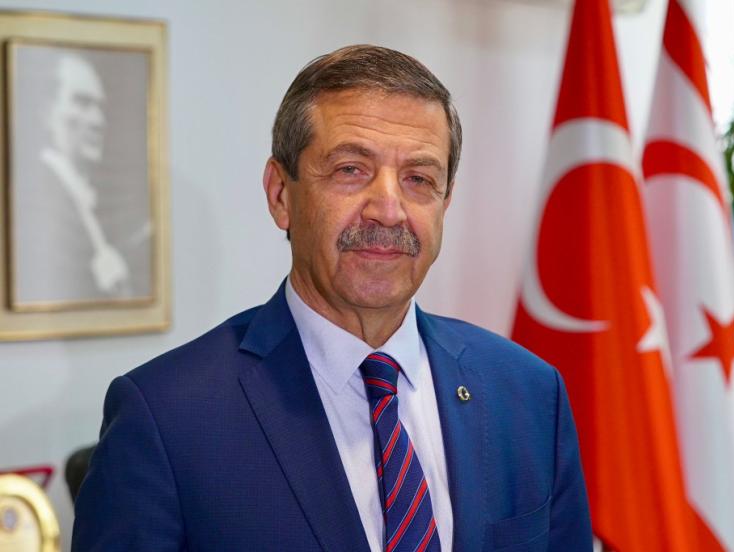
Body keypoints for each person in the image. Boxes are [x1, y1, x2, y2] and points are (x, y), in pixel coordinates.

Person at [72, 45, 591, 551]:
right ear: (281, 195)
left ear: (444, 203)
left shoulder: (528, 393)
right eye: (350, 170)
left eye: (418, 179)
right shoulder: (166, 416)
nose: (388, 210)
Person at [13, 53, 146, 305]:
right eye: (82, 103)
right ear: (47, 111)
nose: (98, 121)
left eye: (100, 107)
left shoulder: (92, 200)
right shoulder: (31, 200)